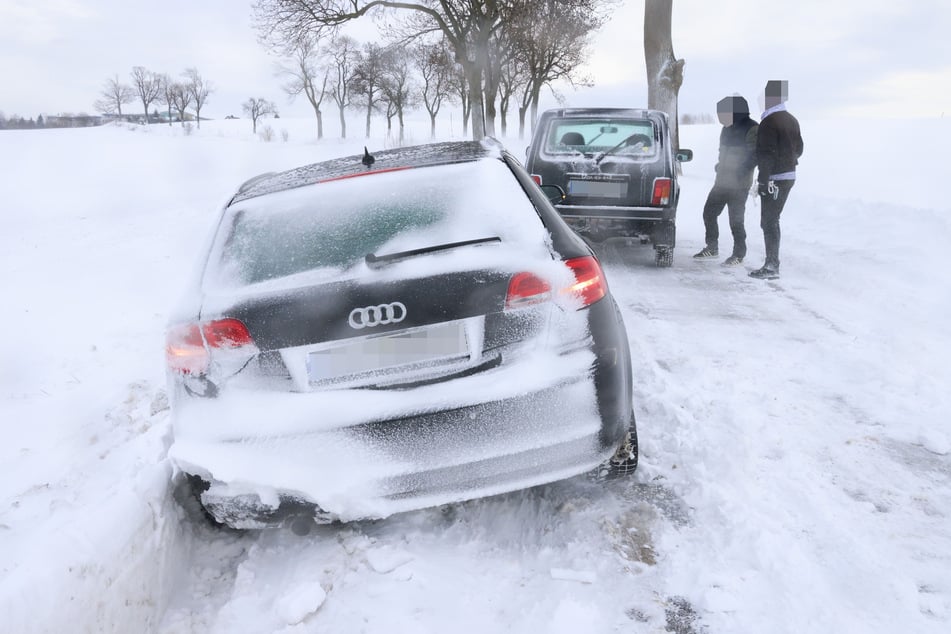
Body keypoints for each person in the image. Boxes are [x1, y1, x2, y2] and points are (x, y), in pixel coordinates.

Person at [693, 95, 759, 265]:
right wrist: (720, 164)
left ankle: (739, 254)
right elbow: (722, 152)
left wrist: (741, 171)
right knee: (709, 212)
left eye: (723, 113)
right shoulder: (726, 128)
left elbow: (754, 155)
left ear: (735, 112)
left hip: (739, 184)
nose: (721, 117)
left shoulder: (752, 128)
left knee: (735, 220)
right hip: (721, 181)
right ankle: (712, 247)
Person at [750, 80, 804, 279]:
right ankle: (772, 262)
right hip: (789, 176)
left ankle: (772, 265)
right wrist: (788, 161)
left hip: (774, 178)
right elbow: (800, 149)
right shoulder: (792, 119)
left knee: (769, 221)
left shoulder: (769, 121)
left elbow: (766, 154)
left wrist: (763, 181)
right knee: (772, 220)